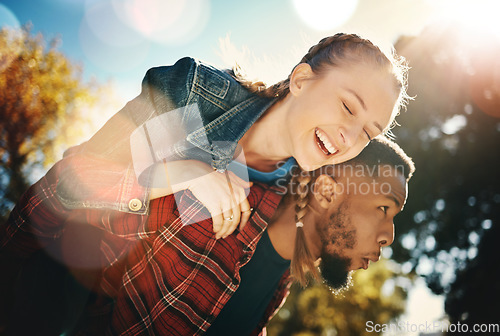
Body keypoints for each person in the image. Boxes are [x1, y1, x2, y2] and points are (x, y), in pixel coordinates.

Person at [2, 137, 415, 335]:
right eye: (384, 208)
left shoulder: (280, 284)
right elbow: (68, 198)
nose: (388, 236)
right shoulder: (212, 203)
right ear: (326, 191)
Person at [22, 32, 409, 243]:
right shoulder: (194, 95)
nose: (350, 137)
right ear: (302, 80)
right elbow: (71, 185)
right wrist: (184, 172)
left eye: (369, 134)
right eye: (347, 107)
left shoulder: (293, 192)